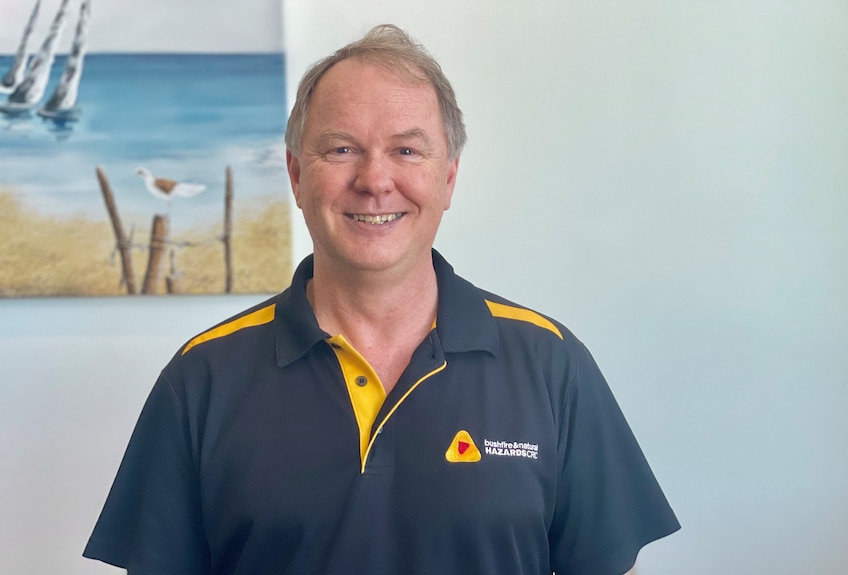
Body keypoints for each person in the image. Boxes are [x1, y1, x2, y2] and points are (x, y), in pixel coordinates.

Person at [84, 24, 680, 575]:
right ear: (296, 175)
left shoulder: (551, 364)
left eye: (407, 150)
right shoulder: (202, 377)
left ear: (448, 178)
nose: (374, 180)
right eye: (341, 149)